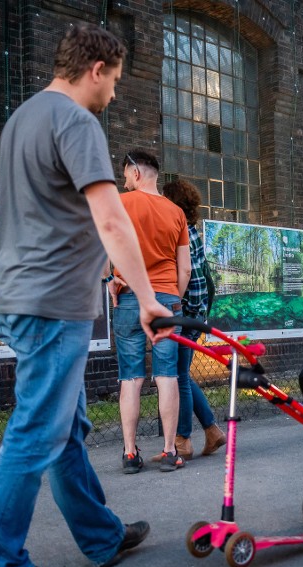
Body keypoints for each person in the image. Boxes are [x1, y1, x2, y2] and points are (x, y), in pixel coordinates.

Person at [0, 23, 174, 567]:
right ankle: (0, 561)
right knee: (37, 430)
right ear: (95, 70)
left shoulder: (22, 118)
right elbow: (112, 221)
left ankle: (101, 536)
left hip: (19, 294)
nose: (113, 94)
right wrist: (148, 297)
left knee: (64, 428)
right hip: (52, 301)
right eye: (113, 81)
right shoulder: (76, 121)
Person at [108, 149, 190, 474]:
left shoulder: (119, 204)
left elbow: (106, 244)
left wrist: (110, 278)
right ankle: (170, 451)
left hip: (128, 298)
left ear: (136, 173)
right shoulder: (177, 213)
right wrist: (172, 298)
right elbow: (184, 270)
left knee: (131, 378)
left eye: (126, 174)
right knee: (167, 374)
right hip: (167, 299)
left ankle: (130, 453)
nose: (124, 180)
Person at [162, 179, 226, 460]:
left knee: (178, 377)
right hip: (195, 311)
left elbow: (187, 275)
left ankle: (183, 440)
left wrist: (175, 306)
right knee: (182, 375)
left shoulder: (182, 231)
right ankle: (212, 431)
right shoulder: (191, 229)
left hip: (186, 312)